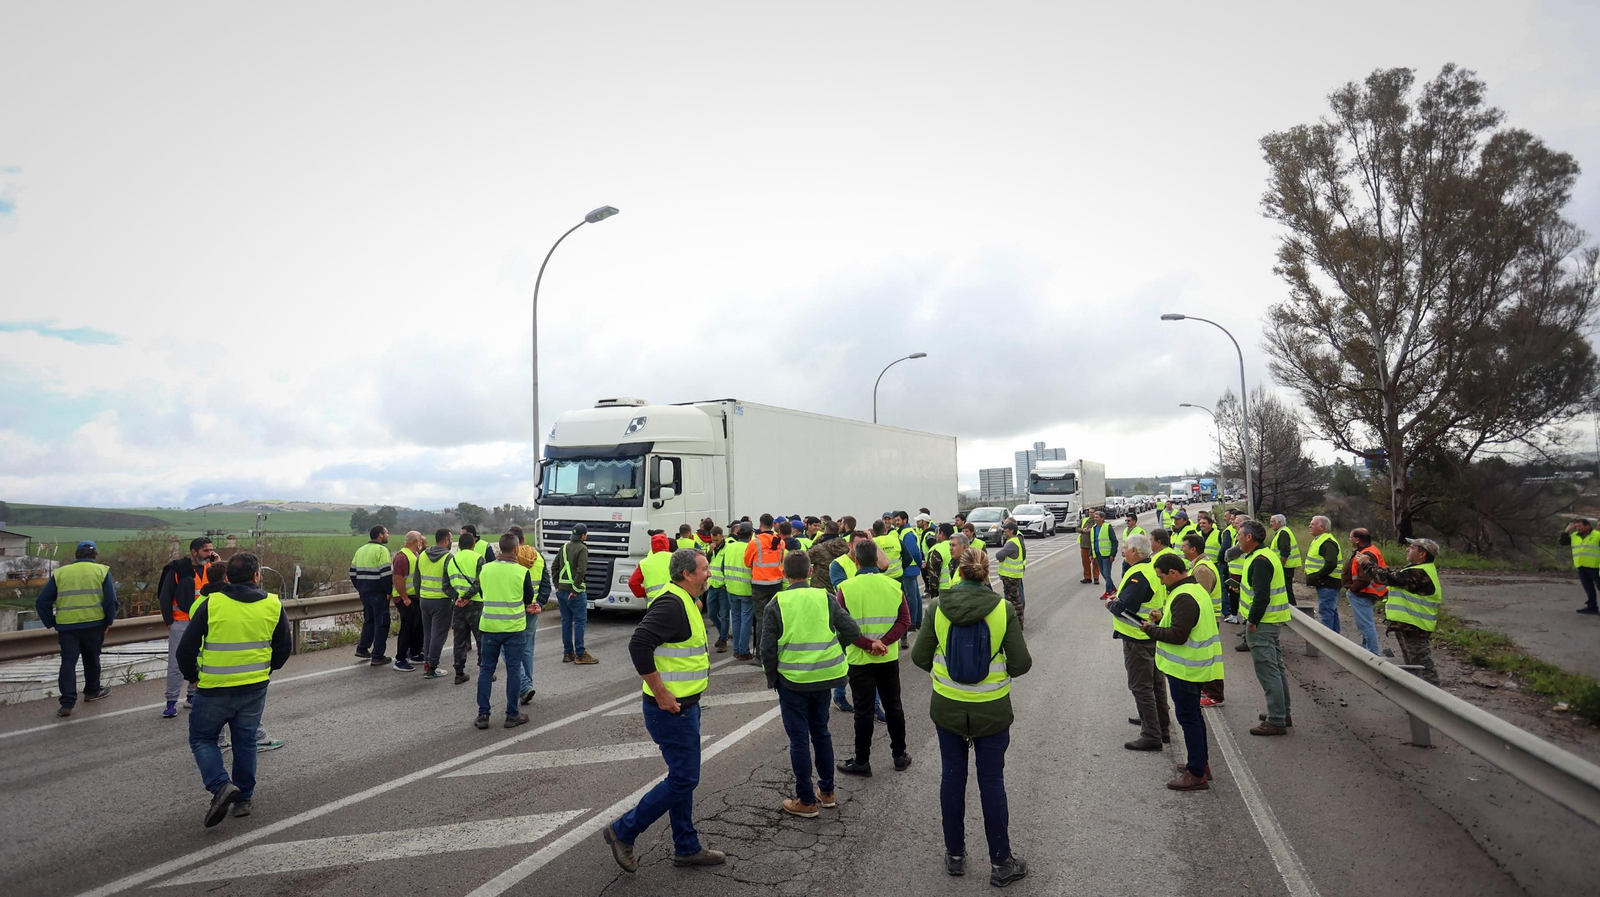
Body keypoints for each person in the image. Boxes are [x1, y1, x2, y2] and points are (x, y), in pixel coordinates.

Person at [911, 544, 1031, 887]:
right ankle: (1001, 862)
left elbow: (920, 658)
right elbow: (1021, 664)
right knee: (991, 782)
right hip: (991, 710)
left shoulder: (937, 607)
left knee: (952, 777)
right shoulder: (1002, 608)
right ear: (987, 572)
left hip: (947, 707)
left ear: (958, 571)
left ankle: (955, 855)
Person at [603, 549, 725, 873]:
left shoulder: (684, 600)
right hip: (671, 710)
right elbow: (639, 643)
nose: (708, 574)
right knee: (685, 778)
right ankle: (623, 830)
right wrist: (661, 693)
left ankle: (686, 847)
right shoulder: (672, 604)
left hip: (685, 706)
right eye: (704, 569)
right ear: (687, 574)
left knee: (681, 778)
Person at [177, 552, 290, 826]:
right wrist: (265, 669)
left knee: (203, 739)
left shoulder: (212, 603)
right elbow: (283, 649)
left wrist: (194, 677)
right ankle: (243, 800)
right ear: (256, 576)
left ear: (227, 577)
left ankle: (220, 785)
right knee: (245, 741)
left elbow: (185, 650)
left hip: (214, 687)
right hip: (254, 687)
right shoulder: (273, 604)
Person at [761, 551, 864, 817]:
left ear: (784, 574)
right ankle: (827, 793)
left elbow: (767, 649)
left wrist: (773, 678)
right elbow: (852, 631)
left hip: (792, 681)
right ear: (809, 573)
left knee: (799, 740)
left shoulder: (777, 602)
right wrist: (833, 649)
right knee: (821, 733)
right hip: (823, 678)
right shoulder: (825, 597)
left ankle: (806, 801)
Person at [1142, 553, 1221, 791]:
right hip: (1193, 666)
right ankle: (1199, 763)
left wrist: (1151, 630)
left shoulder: (1184, 596)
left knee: (1189, 719)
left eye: (1161, 576)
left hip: (1186, 668)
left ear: (1173, 573)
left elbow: (1178, 635)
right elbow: (1181, 623)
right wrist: (1163, 617)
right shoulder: (1194, 590)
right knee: (1193, 717)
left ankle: (1196, 773)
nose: (1161, 581)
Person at [835, 539, 913, 776]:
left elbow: (841, 627)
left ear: (856, 561)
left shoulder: (846, 588)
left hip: (859, 660)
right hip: (887, 658)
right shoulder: (893, 585)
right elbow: (905, 621)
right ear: (877, 561)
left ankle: (862, 760)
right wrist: (883, 643)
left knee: (863, 710)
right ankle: (899, 755)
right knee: (893, 706)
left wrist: (868, 644)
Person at [459, 534, 537, 730]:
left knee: (486, 670)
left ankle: (483, 715)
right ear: (517, 548)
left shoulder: (485, 569)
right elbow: (528, 599)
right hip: (514, 629)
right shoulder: (521, 572)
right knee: (513, 671)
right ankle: (512, 715)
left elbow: (485, 593)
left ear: (499, 549)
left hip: (489, 627)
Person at [1102, 534, 1170, 750]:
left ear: (1136, 552)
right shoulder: (1150, 568)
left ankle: (1151, 735)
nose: (1123, 551)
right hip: (1151, 635)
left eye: (1125, 548)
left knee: (1141, 687)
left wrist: (1111, 604)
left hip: (1138, 639)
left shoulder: (1138, 574)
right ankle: (1162, 727)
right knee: (1156, 684)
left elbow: (1125, 605)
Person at [36, 540, 118, 718]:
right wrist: (108, 622)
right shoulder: (102, 571)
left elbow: (42, 602)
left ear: (76, 555)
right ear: (95, 555)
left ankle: (67, 703)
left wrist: (52, 622)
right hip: (94, 624)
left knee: (68, 664)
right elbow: (111, 601)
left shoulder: (61, 573)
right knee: (92, 660)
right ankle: (92, 691)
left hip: (67, 627)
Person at [1237, 519, 1292, 735]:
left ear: (1249, 537)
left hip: (1263, 624)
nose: (1238, 539)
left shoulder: (1259, 560)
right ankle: (1281, 712)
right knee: (1276, 669)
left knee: (1268, 671)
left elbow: (1261, 595)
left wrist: (1252, 621)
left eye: (1240, 535)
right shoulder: (1264, 555)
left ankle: (1276, 719)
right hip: (1271, 621)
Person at [1366, 538, 1443, 685]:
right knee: (1413, 665)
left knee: (1423, 666)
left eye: (1412, 547)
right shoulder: (1415, 570)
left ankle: (1436, 700)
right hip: (1408, 625)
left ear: (1422, 554)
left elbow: (1384, 577)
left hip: (1415, 626)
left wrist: (1366, 563)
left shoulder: (1420, 573)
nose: (1407, 549)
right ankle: (1417, 698)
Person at [158, 538, 218, 718]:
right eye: (206, 551)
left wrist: (218, 561)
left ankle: (192, 696)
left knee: (200, 661)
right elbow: (165, 596)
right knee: (177, 663)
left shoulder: (211, 569)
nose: (209, 554)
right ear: (194, 552)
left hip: (205, 622)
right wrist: (169, 621)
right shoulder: (178, 570)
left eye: (210, 551)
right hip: (182, 621)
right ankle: (171, 702)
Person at [1181, 533, 1226, 706]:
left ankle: (1215, 694)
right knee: (1205, 655)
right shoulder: (1199, 565)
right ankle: (1207, 688)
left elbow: (1198, 597)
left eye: (1184, 546)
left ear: (1193, 549)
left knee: (1209, 656)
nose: (1182, 549)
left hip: (1208, 619)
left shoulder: (1202, 569)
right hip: (1207, 618)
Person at [507, 526, 550, 705]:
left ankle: (524, 686)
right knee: (527, 649)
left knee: (508, 649)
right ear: (523, 540)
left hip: (516, 610)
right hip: (533, 609)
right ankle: (527, 684)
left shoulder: (510, 561)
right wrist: (539, 603)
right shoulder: (538, 558)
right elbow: (546, 584)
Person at [349, 526, 394, 665]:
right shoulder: (382, 550)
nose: (388, 535)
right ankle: (378, 655)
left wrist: (361, 588)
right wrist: (388, 591)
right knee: (382, 623)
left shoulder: (360, 550)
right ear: (380, 535)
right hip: (378, 593)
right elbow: (386, 574)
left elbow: (352, 573)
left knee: (369, 621)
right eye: (386, 533)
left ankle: (362, 648)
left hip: (365, 593)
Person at [415, 528, 456, 680]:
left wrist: (421, 595)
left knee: (428, 633)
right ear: (446, 540)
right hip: (441, 601)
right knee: (438, 635)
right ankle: (432, 667)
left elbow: (416, 580)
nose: (451, 541)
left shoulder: (423, 555)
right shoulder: (449, 558)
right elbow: (451, 581)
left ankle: (427, 662)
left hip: (424, 600)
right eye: (450, 538)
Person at [745, 514, 788, 653]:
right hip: (776, 584)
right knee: (776, 617)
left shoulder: (754, 542)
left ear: (760, 524)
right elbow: (780, 560)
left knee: (761, 620)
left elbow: (747, 562)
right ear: (773, 524)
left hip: (759, 585)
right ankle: (776, 648)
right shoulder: (780, 542)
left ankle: (761, 652)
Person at [447, 532, 485, 683]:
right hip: (475, 604)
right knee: (481, 639)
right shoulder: (478, 558)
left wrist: (458, 598)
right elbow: (480, 582)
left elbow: (445, 584)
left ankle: (459, 673)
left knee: (459, 640)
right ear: (473, 544)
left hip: (458, 606)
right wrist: (467, 597)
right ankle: (484, 670)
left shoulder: (451, 560)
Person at [556, 524, 597, 665]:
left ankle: (568, 653)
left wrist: (557, 585)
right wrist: (574, 590)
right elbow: (581, 571)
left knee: (566, 622)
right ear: (583, 536)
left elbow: (555, 566)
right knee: (579, 622)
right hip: (576, 593)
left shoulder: (564, 547)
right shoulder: (582, 548)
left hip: (561, 591)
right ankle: (580, 654)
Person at [1341, 528, 1386, 655]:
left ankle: (1373, 654)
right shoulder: (1368, 550)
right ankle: (1368, 652)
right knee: (1366, 624)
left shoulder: (1368, 554)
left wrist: (1352, 589)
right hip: (1364, 592)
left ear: (1357, 540)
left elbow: (1365, 578)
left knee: (1366, 625)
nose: (1349, 539)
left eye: (1351, 537)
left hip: (1363, 593)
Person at [390, 531, 426, 671]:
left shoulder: (414, 555)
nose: (421, 544)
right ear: (415, 541)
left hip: (413, 597)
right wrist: (404, 598)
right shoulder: (402, 557)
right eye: (420, 541)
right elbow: (398, 579)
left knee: (418, 627)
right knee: (407, 628)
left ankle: (415, 653)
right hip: (405, 598)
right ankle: (400, 659)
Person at [722, 523, 756, 660]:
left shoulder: (729, 547)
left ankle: (736, 648)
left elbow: (723, 566)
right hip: (746, 589)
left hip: (731, 587)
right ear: (750, 534)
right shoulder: (750, 547)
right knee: (746, 620)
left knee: (735, 619)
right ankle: (743, 650)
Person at [1304, 516, 1344, 631]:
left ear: (1322, 527)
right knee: (1331, 611)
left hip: (1327, 583)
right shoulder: (1320, 540)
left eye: (1312, 524)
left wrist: (1318, 576)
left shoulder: (1327, 542)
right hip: (1325, 583)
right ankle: (1335, 641)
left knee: (1326, 612)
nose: (1309, 526)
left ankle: (1328, 642)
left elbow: (1331, 563)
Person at [894, 511, 927, 638]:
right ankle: (917, 621)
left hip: (909, 568)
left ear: (905, 520)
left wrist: (919, 563)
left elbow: (913, 551)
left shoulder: (906, 533)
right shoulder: (906, 532)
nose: (896, 523)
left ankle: (912, 622)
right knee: (915, 596)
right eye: (895, 520)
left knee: (910, 597)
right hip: (912, 568)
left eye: (898, 520)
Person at [1560, 519, 1600, 614]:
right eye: (1576, 526)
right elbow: (1563, 542)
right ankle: (1592, 607)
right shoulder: (1574, 536)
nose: (1577, 528)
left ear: (1588, 526)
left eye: (1579, 526)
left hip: (1595, 566)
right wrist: (1566, 531)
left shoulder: (1597, 535)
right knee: (1588, 588)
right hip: (1581, 565)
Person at [994, 519, 1028, 627]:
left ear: (1012, 531)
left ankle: (1017, 623)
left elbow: (998, 555)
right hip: (1013, 575)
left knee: (1013, 600)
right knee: (1013, 599)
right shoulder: (1016, 540)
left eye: (1006, 530)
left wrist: (1002, 558)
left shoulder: (1012, 543)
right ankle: (1014, 621)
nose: (1004, 531)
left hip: (1010, 576)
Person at [704, 526, 731, 651]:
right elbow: (706, 563)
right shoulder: (710, 548)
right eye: (713, 540)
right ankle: (723, 633)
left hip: (723, 586)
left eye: (717, 540)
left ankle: (723, 639)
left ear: (722, 536)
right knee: (712, 613)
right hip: (712, 585)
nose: (714, 542)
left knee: (725, 615)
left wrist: (727, 583)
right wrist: (709, 552)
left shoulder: (727, 549)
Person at [1269, 515, 1302, 607]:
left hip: (1285, 567)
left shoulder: (1283, 533)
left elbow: (1285, 552)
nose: (1270, 524)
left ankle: (1293, 610)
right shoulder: (1282, 532)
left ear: (1279, 523)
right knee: (1286, 589)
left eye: (1272, 521)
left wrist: (1279, 566)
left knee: (1286, 590)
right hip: (1286, 566)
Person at [630, 533, 674, 603]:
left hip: (654, 603)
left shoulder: (644, 563)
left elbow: (632, 583)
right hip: (675, 601)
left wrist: (643, 594)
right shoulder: (675, 558)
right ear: (667, 544)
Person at [1090, 510, 1118, 595]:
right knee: (1103, 573)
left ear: (1102, 518)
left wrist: (1112, 554)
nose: (1095, 519)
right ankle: (1112, 588)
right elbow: (1092, 542)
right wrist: (1091, 553)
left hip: (1106, 555)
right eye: (1095, 517)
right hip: (1098, 554)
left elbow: (1114, 541)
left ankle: (1108, 591)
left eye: (1097, 517)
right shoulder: (1094, 528)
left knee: (1106, 573)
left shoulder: (1107, 527)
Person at [924, 524, 956, 599]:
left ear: (941, 533)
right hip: (957, 587)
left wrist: (933, 594)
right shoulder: (958, 546)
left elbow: (933, 575)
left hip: (943, 590)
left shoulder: (936, 549)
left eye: (937, 533)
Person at [1078, 512, 1098, 585]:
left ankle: (1096, 578)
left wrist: (1091, 530)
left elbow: (1100, 529)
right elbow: (1077, 528)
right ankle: (1087, 577)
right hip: (1085, 545)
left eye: (1092, 512)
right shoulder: (1084, 520)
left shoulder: (1098, 521)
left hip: (1094, 545)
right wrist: (1082, 530)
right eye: (1089, 512)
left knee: (1095, 562)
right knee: (1085, 562)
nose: (1090, 513)